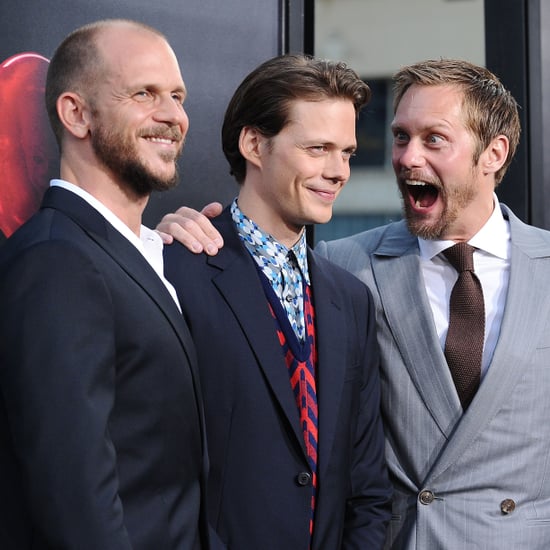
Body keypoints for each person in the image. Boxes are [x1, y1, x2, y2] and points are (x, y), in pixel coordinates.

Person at [159, 58, 550, 549]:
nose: (406, 158)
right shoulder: (349, 266)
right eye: (401, 137)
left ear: (494, 153)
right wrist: (154, 248)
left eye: (434, 139)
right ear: (254, 144)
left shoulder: (343, 290)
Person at [162, 54, 392, 550]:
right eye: (317, 148)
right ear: (254, 144)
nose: (338, 172)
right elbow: (155, 470)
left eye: (348, 152)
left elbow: (366, 487)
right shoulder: (174, 270)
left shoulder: (351, 300)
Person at [0, 19, 210, 549]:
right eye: (144, 93)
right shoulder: (57, 261)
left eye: (178, 96)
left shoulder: (144, 253)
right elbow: (74, 501)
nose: (173, 116)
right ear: (76, 113)